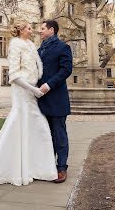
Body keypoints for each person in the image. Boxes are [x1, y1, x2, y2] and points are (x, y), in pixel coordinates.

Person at [0, 19, 56, 189]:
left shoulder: (30, 45)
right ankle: (13, 168)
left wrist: (36, 87)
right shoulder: (15, 45)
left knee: (34, 128)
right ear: (22, 29)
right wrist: (33, 89)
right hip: (23, 92)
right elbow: (14, 75)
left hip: (31, 91)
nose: (32, 31)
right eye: (29, 28)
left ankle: (33, 168)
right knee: (26, 126)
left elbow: (35, 69)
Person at [37, 19, 73, 184]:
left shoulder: (63, 47)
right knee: (45, 135)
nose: (40, 31)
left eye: (43, 28)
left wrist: (49, 85)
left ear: (52, 30)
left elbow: (66, 70)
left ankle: (61, 168)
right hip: (41, 100)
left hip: (57, 99)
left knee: (59, 135)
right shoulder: (39, 50)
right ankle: (47, 165)